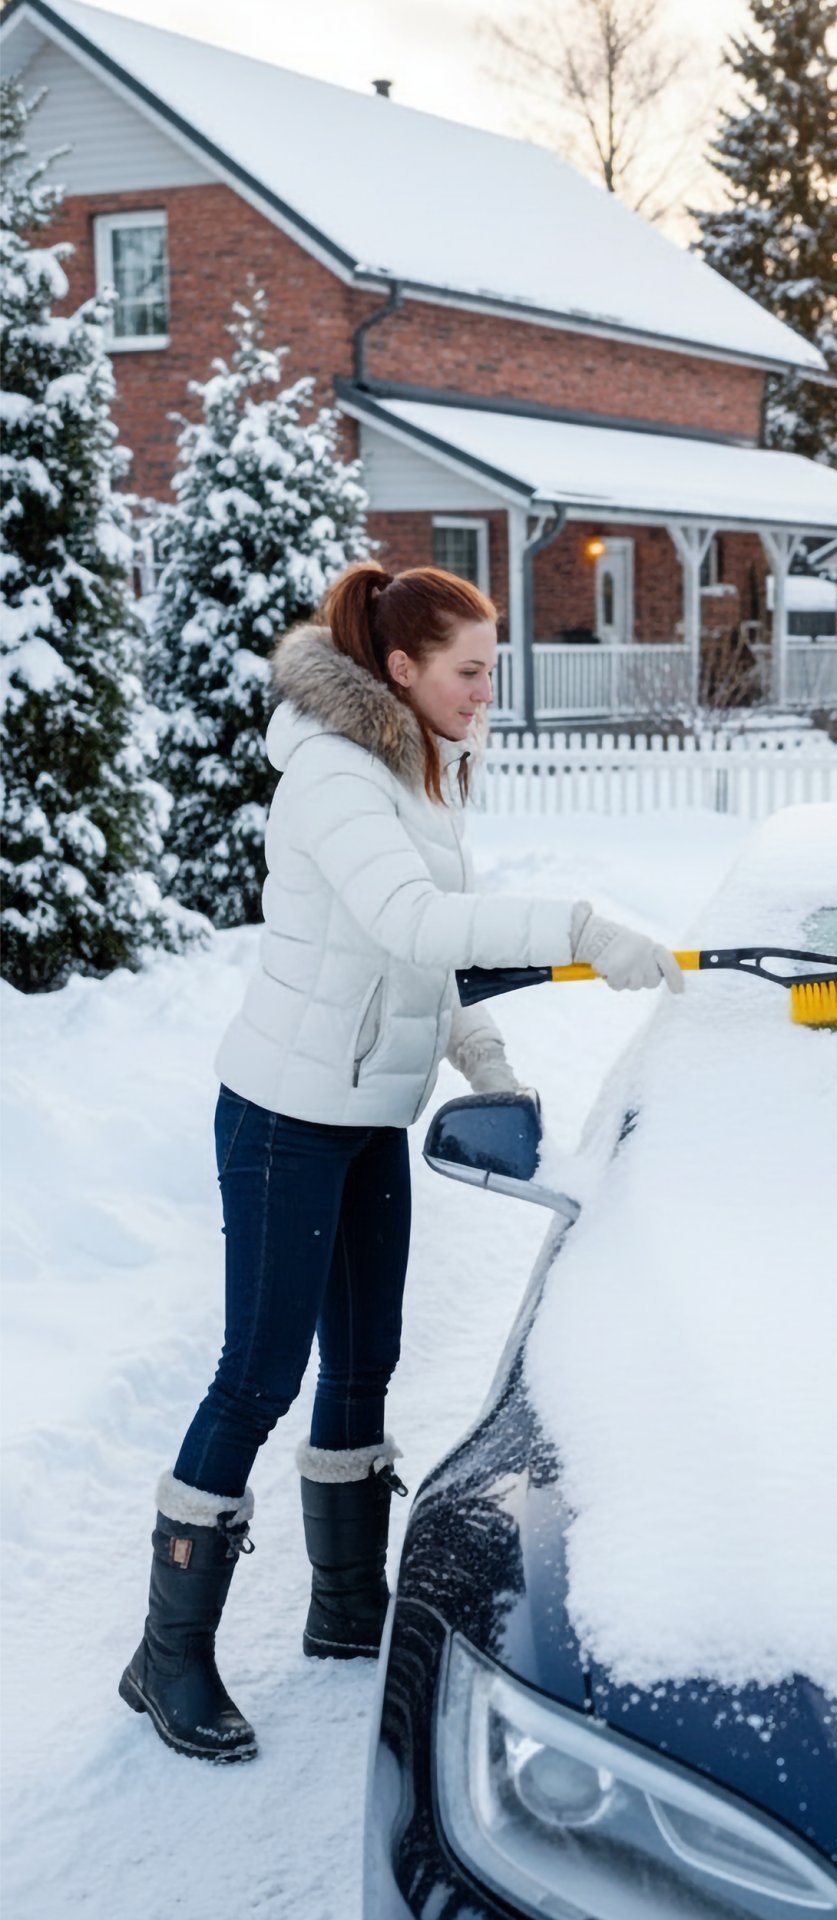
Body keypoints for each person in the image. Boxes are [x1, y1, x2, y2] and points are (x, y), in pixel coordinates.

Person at [118, 562, 682, 1763]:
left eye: (491, 668)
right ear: (400, 671)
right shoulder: (332, 775)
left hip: (366, 1111)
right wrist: (577, 929)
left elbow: (412, 968)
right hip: (281, 1117)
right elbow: (417, 925)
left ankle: (342, 1607)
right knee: (257, 1375)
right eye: (470, 670)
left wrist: (482, 1062)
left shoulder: (417, 777)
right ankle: (164, 1655)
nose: (487, 692)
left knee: (365, 1363)